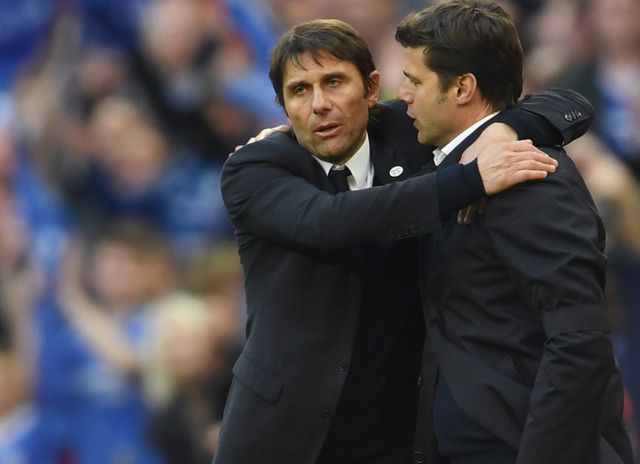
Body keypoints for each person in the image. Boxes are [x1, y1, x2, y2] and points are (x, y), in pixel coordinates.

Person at [215, 17, 595, 464]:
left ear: (373, 88)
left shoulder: (411, 130)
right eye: (300, 90)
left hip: (397, 435)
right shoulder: (254, 169)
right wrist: (469, 180)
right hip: (281, 436)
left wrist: (505, 128)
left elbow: (569, 106)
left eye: (334, 82)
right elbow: (328, 222)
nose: (319, 104)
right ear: (283, 106)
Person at [393, 2, 632, 463]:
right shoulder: (444, 155)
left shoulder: (527, 175)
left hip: (515, 444)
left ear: (462, 87)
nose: (403, 95)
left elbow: (579, 340)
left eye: (415, 81)